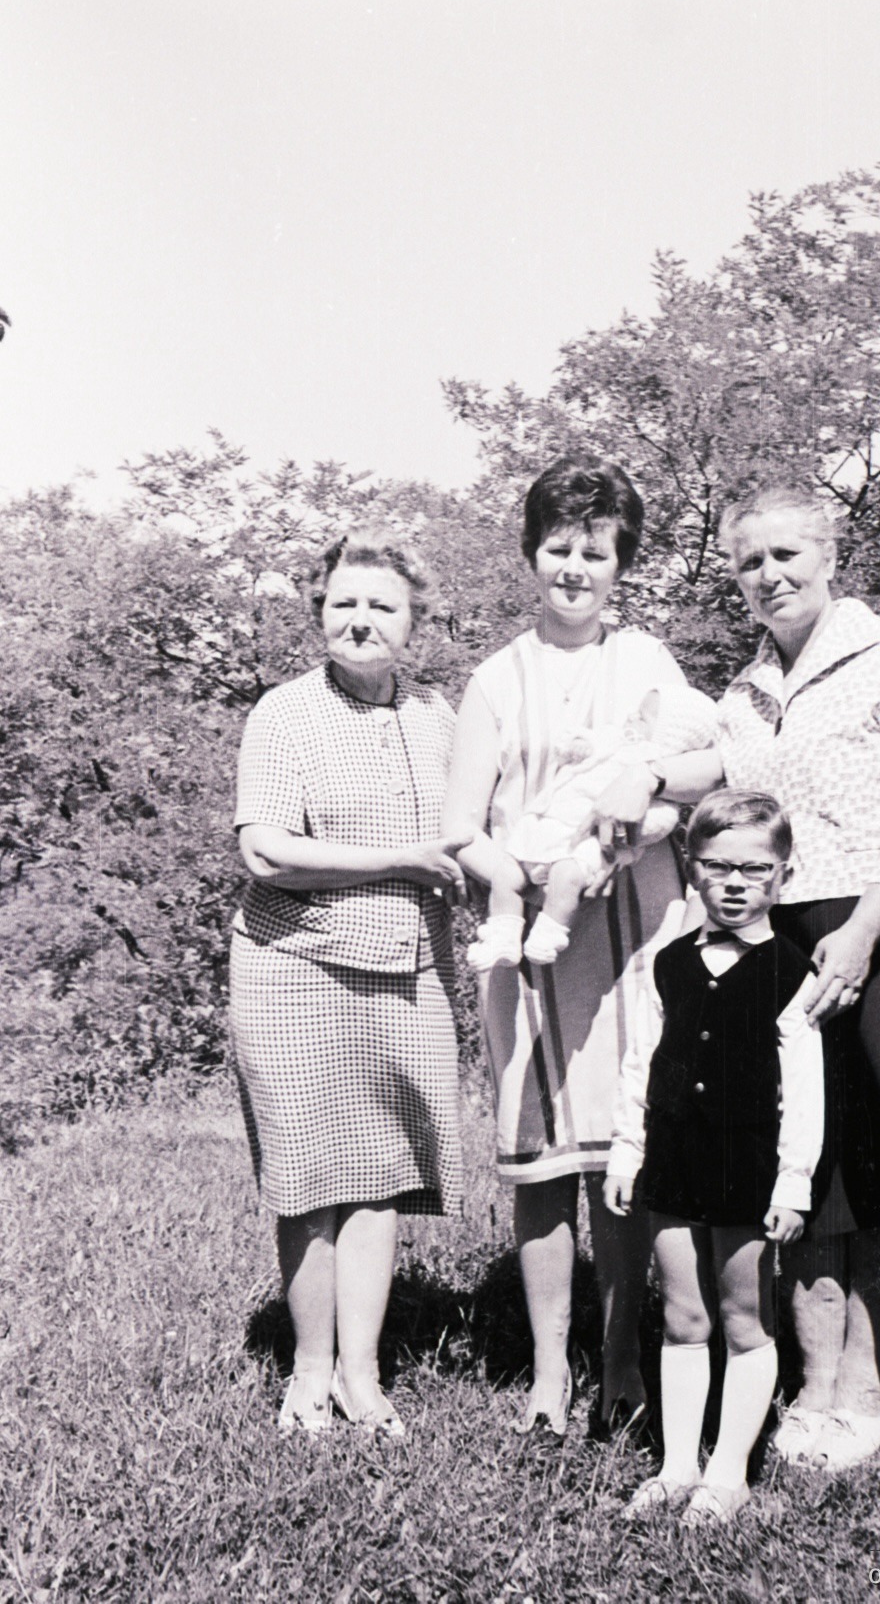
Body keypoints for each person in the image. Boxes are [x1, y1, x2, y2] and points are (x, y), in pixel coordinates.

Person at [589, 483, 880, 1470]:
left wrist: (862, 934)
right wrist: (640, 776)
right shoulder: (750, 686)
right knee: (800, 1156)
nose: (767, 577)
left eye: (784, 556)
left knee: (879, 1165)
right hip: (785, 930)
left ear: (828, 553)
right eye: (748, 562)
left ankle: (867, 1380)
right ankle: (812, 1378)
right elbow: (722, 768)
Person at [443, 455, 688, 1437]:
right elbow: (462, 824)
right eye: (559, 548)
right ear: (531, 553)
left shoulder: (649, 662)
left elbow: (698, 783)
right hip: (535, 951)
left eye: (597, 550)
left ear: (621, 560)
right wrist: (514, 876)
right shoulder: (497, 678)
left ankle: (623, 1359)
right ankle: (550, 1374)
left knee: (621, 1156)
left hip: (633, 937)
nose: (576, 567)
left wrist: (640, 820)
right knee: (543, 1166)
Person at [230, 528, 466, 1436]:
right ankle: (307, 1371)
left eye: (380, 606)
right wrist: (402, 858)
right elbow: (267, 849)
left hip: (405, 973)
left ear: (414, 621)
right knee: (308, 1179)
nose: (359, 620)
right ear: (319, 612)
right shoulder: (283, 713)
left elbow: (481, 833)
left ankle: (363, 1378)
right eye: (343, 604)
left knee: (378, 1178)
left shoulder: (439, 720)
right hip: (292, 966)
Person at [605, 790, 823, 1525]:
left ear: (782, 874)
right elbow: (642, 1060)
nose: (734, 882)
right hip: (671, 1162)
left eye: (753, 869)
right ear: (691, 868)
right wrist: (625, 1151)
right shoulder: (666, 963)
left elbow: (804, 1089)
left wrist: (792, 1183)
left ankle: (727, 1470)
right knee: (681, 1316)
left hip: (746, 1170)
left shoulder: (792, 973)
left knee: (741, 1316)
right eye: (717, 866)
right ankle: (675, 1465)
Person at [466, 682, 717, 969]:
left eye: (643, 718)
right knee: (506, 873)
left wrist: (633, 830)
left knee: (567, 875)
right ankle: (503, 934)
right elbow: (578, 746)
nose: (631, 717)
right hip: (546, 825)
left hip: (587, 838)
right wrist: (577, 746)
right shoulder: (614, 741)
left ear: (668, 737)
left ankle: (550, 932)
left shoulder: (654, 764)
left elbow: (662, 819)